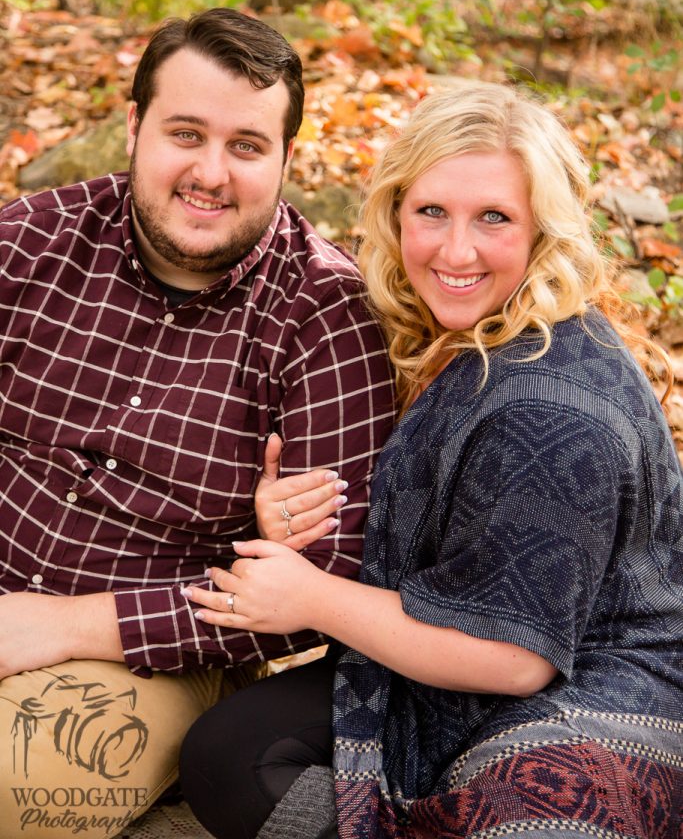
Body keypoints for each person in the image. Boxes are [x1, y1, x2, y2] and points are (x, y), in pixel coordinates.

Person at [180, 82, 683, 839]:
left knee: (527, 818)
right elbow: (435, 527)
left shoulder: (546, 410)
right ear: (395, 213)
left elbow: (515, 660)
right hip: (456, 641)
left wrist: (312, 600)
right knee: (228, 755)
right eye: (431, 212)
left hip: (591, 681)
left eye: (494, 218)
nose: (455, 251)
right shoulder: (459, 331)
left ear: (544, 230)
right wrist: (298, 521)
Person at [0, 7, 395, 839]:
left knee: (16, 790)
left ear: (286, 159)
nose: (210, 174)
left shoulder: (324, 319)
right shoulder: (30, 243)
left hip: (151, 655)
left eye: (246, 146)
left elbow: (315, 591)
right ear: (134, 126)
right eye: (185, 134)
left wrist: (63, 626)